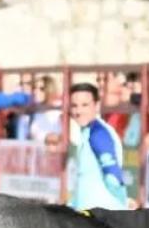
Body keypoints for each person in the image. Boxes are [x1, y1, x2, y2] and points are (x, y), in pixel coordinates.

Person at [53, 82, 130, 211]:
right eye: (74, 106)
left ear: (97, 105)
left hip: (101, 219)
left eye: (85, 105)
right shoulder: (88, 132)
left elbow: (113, 176)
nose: (78, 111)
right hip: (88, 216)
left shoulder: (98, 134)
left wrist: (121, 206)